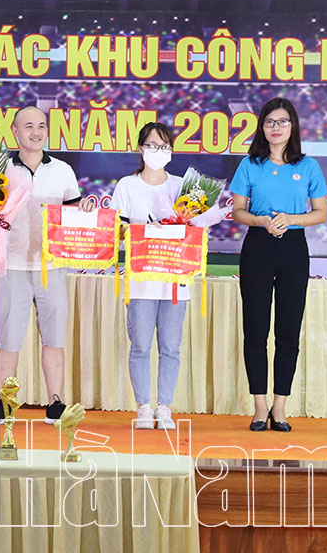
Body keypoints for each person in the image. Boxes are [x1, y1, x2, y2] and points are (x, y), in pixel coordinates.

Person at [229, 97, 327, 433]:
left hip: (293, 248)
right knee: (256, 331)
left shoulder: (308, 166)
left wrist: (292, 219)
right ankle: (259, 406)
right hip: (257, 246)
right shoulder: (249, 165)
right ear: (262, 127)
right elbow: (238, 211)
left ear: (293, 126)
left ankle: (280, 406)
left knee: (288, 332)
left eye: (283, 121)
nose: (276, 127)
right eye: (270, 121)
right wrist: (259, 220)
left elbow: (321, 213)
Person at [0, 106, 81, 426]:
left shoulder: (63, 170)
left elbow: (74, 216)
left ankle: (56, 403)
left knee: (54, 337)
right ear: (15, 132)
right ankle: (5, 402)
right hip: (11, 264)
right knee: (8, 337)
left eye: (41, 126)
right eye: (28, 126)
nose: (35, 132)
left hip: (52, 266)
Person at [112, 121, 187, 431]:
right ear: (140, 149)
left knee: (170, 347)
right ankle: (143, 405)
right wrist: (139, 231)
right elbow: (115, 229)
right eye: (153, 145)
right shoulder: (127, 186)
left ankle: (164, 406)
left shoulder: (182, 186)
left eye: (164, 146)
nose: (158, 151)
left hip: (175, 280)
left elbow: (195, 230)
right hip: (141, 279)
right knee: (141, 346)